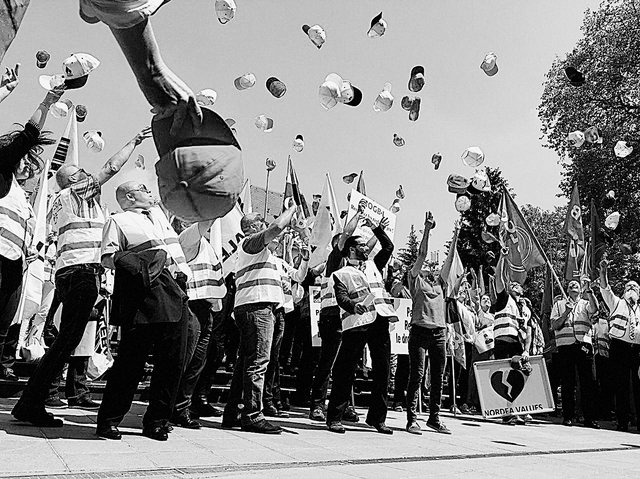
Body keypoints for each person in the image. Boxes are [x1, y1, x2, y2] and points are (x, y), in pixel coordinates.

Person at [12, 128, 151, 427]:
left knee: (68, 339)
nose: (89, 175)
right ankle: (30, 402)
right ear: (74, 180)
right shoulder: (74, 192)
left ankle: (31, 400)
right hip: (81, 272)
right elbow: (110, 168)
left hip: (71, 272)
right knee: (66, 341)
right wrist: (133, 141)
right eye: (82, 173)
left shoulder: (65, 201)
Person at [95, 181, 192, 441]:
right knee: (131, 361)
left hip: (174, 289)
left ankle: (158, 421)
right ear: (129, 196)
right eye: (143, 188)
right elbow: (107, 257)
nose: (149, 192)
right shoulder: (119, 220)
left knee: (172, 362)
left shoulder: (159, 217)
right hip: (144, 291)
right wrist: (139, 264)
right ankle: (109, 419)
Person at [0, 86, 62, 382]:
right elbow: (27, 136)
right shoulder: (1, 175)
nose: (29, 165)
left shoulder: (23, 197)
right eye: (25, 158)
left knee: (3, 325)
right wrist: (47, 103)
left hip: (13, 265)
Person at [221, 204, 297, 434]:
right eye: (261, 223)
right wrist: (292, 208)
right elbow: (276, 227)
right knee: (258, 363)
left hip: (251, 308)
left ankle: (233, 411)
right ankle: (253, 415)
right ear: (253, 227)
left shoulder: (260, 253)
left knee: (246, 363)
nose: (265, 226)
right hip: (258, 308)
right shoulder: (251, 242)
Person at [326, 214, 396, 434]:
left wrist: (376, 227)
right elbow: (342, 297)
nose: (367, 248)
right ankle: (335, 417)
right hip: (357, 322)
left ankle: (377, 418)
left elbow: (388, 246)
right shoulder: (342, 272)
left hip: (380, 320)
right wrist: (352, 306)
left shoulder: (375, 265)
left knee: (383, 369)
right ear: (352, 249)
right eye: (363, 246)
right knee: (345, 369)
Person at [309, 201, 367, 422]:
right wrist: (358, 215)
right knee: (328, 362)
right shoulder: (334, 261)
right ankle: (317, 404)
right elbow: (346, 234)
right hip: (332, 316)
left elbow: (369, 245)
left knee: (348, 365)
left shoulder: (358, 266)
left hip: (351, 317)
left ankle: (345, 405)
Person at [171, 219, 227, 428]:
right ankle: (172, 407)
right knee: (185, 360)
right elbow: (203, 222)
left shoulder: (204, 244)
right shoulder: (186, 239)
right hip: (191, 305)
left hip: (205, 308)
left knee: (196, 363)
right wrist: (216, 201)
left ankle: (182, 407)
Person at [405, 212, 450, 435]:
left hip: (439, 334)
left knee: (438, 378)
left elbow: (450, 262)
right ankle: (412, 419)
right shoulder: (416, 280)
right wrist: (427, 230)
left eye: (434, 267)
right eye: (427, 266)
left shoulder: (441, 284)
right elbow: (422, 254)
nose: (430, 268)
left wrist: (458, 233)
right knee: (418, 375)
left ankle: (434, 418)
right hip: (420, 332)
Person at [264, 234, 309, 418]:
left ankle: (271, 398)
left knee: (274, 358)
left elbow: (298, 275)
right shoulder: (260, 257)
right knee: (263, 358)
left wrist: (305, 259)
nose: (277, 239)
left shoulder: (281, 263)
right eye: (273, 237)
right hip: (265, 308)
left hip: (280, 311)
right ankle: (264, 399)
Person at [550, 279, 600, 428]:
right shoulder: (559, 305)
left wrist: (589, 290)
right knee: (567, 382)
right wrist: (566, 311)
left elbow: (595, 308)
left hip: (583, 345)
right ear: (567, 289)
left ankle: (589, 418)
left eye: (576, 285)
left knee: (588, 382)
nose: (573, 286)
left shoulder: (585, 303)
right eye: (571, 285)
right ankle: (568, 416)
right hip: (566, 347)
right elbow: (554, 325)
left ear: (580, 290)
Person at [491, 250, 532, 425]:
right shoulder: (504, 298)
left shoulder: (522, 308)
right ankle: (506, 413)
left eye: (518, 285)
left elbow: (528, 331)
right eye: (512, 285)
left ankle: (517, 409)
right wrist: (503, 257)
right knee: (505, 377)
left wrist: (526, 350)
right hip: (502, 341)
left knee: (520, 374)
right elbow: (499, 278)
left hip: (515, 343)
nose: (515, 286)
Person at [598, 258, 640, 432]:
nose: (632, 288)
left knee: (638, 387)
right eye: (628, 287)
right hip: (619, 348)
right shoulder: (616, 303)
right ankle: (622, 421)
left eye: (635, 287)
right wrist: (603, 272)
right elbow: (605, 288)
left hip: (637, 351)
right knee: (621, 385)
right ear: (624, 291)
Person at [466, 293, 495, 412]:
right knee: (475, 374)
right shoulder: (477, 312)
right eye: (484, 299)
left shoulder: (494, 316)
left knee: (488, 374)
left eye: (488, 299)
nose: (486, 300)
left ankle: (485, 403)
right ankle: (472, 402)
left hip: (491, 349)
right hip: (479, 347)